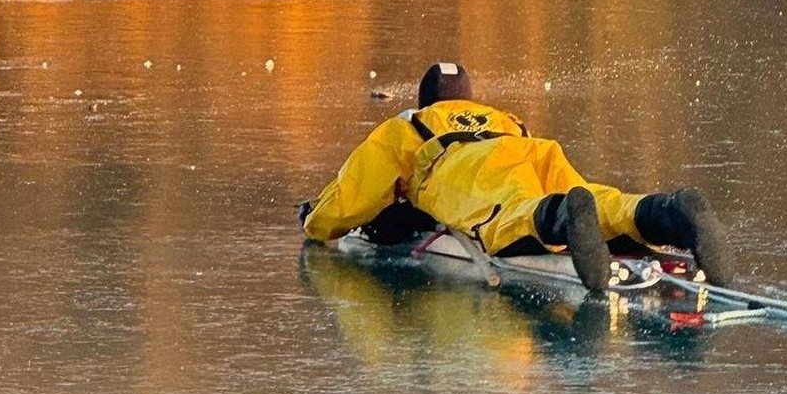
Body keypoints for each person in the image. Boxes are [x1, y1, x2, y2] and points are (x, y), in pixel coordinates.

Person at [298, 62, 735, 292]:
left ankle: (560, 218)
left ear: (426, 99)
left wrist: (314, 220)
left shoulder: (410, 126)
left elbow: (348, 200)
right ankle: (665, 211)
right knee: (601, 201)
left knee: (506, 214)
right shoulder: (502, 117)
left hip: (463, 166)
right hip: (532, 149)